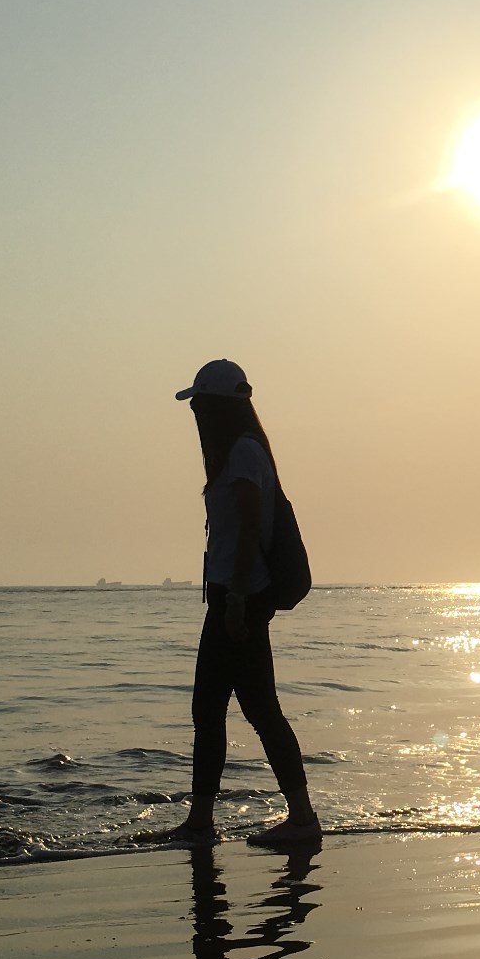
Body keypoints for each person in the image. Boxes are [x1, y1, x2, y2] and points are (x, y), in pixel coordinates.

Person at [164, 358, 321, 848]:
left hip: (240, 601)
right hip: (236, 598)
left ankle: (213, 823)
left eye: (201, 405)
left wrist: (233, 600)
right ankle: (286, 818)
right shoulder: (240, 452)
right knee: (245, 710)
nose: (196, 415)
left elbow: (251, 526)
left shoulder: (244, 454)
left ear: (219, 407)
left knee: (222, 711)